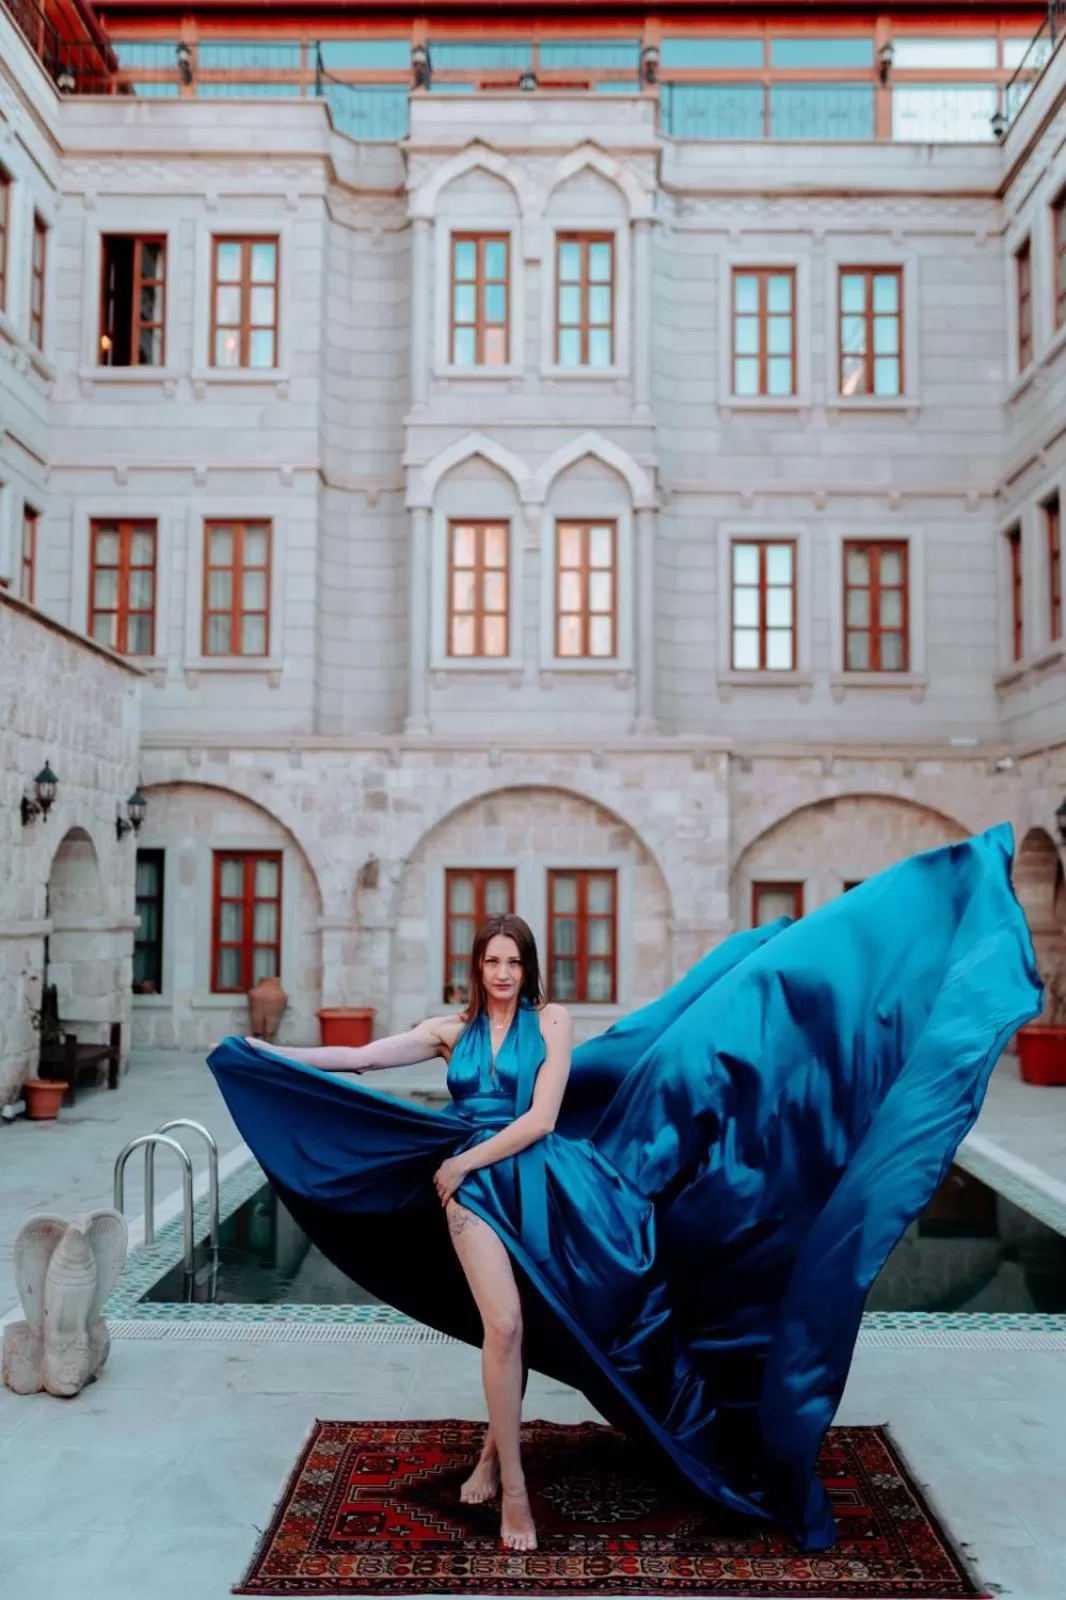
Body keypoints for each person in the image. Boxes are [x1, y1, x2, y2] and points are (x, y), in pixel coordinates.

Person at [208, 824, 1042, 1553]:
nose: (503, 973)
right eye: (491, 961)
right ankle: (514, 1485)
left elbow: (540, 1119)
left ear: (528, 967)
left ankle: (494, 1457)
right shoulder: (447, 1030)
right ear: (476, 966)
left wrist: (464, 1161)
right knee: (501, 1328)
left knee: (538, 1329)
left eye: (514, 961)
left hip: (540, 1186)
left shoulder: (554, 1023)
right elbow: (356, 1059)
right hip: (477, 1200)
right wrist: (267, 1057)